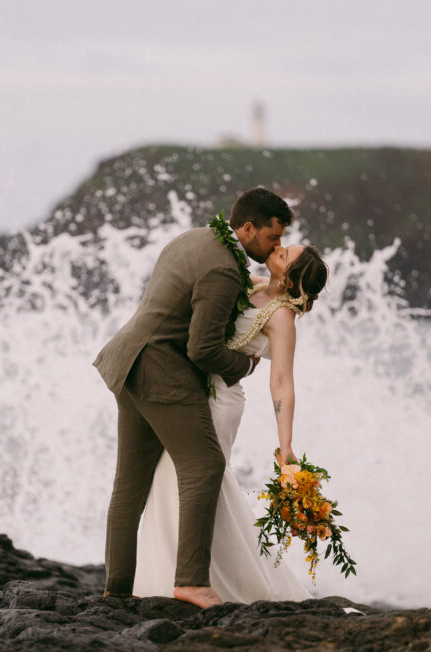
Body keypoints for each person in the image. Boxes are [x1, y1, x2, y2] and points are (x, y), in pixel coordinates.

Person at [93, 187, 291, 608]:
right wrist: (246, 367)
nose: (277, 245)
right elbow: (202, 349)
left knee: (131, 482)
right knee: (205, 463)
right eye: (273, 238)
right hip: (160, 370)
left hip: (127, 358)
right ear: (249, 228)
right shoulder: (223, 269)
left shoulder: (195, 238)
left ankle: (117, 589)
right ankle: (191, 582)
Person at [133, 243, 329, 602]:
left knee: (190, 479)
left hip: (221, 401)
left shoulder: (281, 317)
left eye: (285, 255)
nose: (278, 248)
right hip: (192, 393)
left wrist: (286, 447)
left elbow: (282, 381)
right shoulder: (252, 284)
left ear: (287, 281)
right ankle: (172, 578)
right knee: (181, 479)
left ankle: (197, 578)